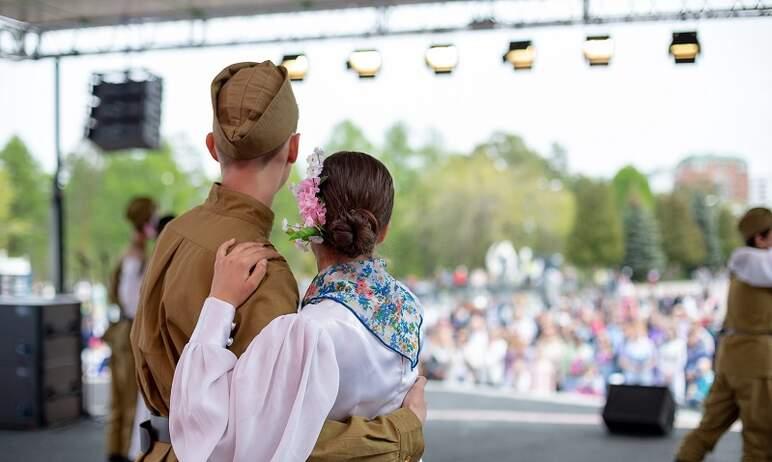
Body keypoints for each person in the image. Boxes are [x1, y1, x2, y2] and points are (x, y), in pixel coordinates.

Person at [130, 61, 426, 462]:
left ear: (213, 147)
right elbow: (271, 439)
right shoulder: (261, 271)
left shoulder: (175, 232)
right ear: (293, 148)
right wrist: (403, 432)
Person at [170, 150, 425, 461]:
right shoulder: (410, 311)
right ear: (382, 231)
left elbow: (216, 441)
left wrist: (220, 303)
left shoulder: (309, 331)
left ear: (311, 221)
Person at [676, 207, 772, 461]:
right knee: (761, 440)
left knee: (707, 430)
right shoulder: (758, 264)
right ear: (761, 238)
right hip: (757, 363)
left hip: (733, 358)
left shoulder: (745, 266)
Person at [103, 197, 157, 462]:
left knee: (121, 399)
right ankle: (121, 453)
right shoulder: (135, 256)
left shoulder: (132, 252)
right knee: (127, 398)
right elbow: (130, 299)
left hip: (123, 329)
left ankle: (116, 450)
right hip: (129, 330)